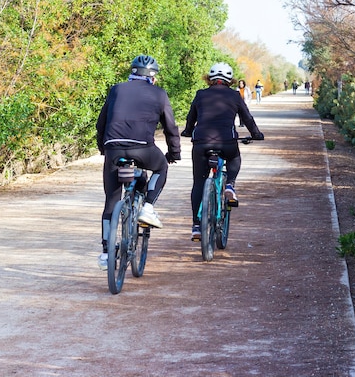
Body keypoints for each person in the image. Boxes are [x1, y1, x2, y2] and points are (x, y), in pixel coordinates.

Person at [95, 55, 181, 270]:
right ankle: (148, 207)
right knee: (160, 166)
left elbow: (101, 123)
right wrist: (174, 153)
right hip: (143, 148)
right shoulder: (159, 94)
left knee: (111, 202)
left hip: (113, 148)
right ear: (153, 77)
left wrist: (103, 149)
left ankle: (106, 253)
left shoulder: (116, 89)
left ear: (132, 74)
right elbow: (171, 127)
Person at [181, 63, 264, 241]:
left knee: (198, 183)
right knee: (234, 156)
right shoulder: (234, 95)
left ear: (209, 79)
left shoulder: (201, 94)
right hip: (227, 142)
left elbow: (191, 117)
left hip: (201, 143)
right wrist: (256, 134)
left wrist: (188, 131)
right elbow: (247, 117)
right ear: (230, 79)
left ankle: (196, 226)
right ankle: (230, 185)